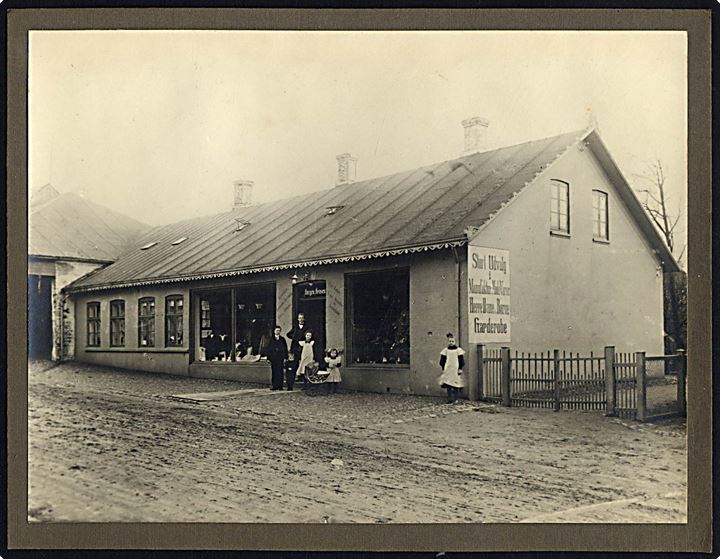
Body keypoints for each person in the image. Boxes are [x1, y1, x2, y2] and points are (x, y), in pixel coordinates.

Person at [438, 332, 465, 403]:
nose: (451, 342)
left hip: (455, 369)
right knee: (448, 384)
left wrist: (460, 368)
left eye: (452, 341)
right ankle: (450, 399)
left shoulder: (458, 350)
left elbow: (461, 360)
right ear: (448, 341)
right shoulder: (445, 350)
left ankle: (456, 399)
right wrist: (443, 368)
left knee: (456, 384)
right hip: (448, 369)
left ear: (455, 342)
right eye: (450, 341)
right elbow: (442, 361)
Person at [286, 313, 310, 387]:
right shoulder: (295, 327)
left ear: (304, 319)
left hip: (303, 347)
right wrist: (295, 338)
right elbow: (288, 334)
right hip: (295, 347)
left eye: (302, 318)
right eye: (299, 318)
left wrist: (303, 340)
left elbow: (310, 335)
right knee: (295, 362)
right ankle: (294, 378)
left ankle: (304, 380)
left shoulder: (307, 327)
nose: (301, 319)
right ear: (298, 319)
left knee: (303, 362)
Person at [262, 325, 288, 391]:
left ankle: (280, 386)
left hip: (280, 358)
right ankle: (274, 385)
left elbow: (285, 349)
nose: (278, 332)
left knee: (280, 372)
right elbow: (269, 349)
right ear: (274, 331)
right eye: (277, 330)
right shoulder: (271, 339)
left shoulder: (282, 339)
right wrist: (268, 358)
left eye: (279, 331)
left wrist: (285, 357)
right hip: (273, 358)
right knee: (274, 372)